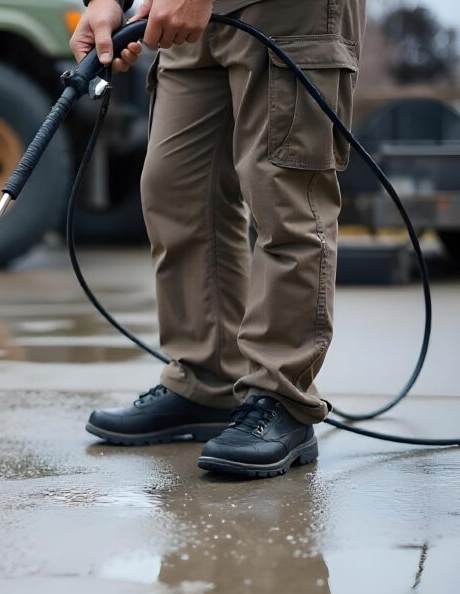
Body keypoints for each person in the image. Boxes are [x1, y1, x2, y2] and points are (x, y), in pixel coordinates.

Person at [71, 0, 365, 478]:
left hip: (291, 14)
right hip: (188, 22)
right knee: (176, 193)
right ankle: (205, 380)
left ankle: (282, 397)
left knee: (284, 194)